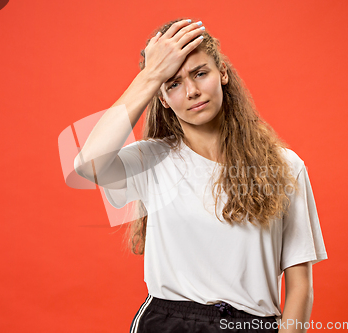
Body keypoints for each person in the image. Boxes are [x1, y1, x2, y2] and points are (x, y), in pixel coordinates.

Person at [74, 17, 327, 333]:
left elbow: (300, 282)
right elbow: (88, 164)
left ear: (222, 72)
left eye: (200, 73)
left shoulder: (285, 166)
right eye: (174, 83)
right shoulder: (152, 159)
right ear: (163, 98)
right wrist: (151, 75)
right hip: (167, 323)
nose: (192, 91)